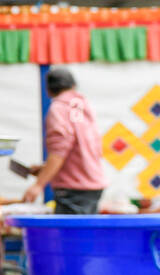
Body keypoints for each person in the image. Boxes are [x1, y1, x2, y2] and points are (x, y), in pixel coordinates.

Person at [22, 66, 107, 213]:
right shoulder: (84, 105)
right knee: (86, 234)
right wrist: (45, 169)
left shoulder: (58, 108)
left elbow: (60, 150)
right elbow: (80, 148)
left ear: (48, 90)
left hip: (73, 188)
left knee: (71, 235)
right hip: (93, 184)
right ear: (73, 85)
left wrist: (38, 185)